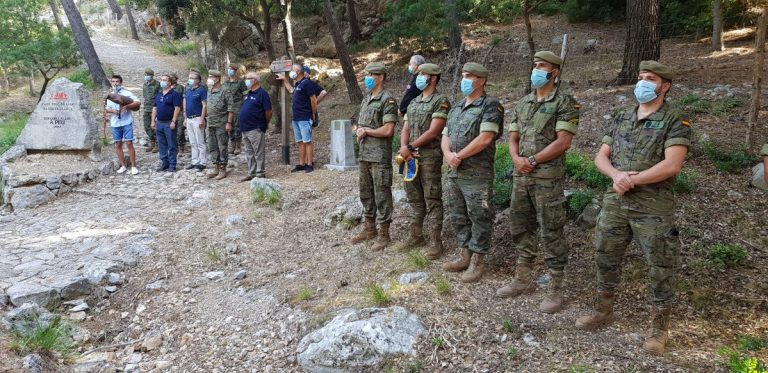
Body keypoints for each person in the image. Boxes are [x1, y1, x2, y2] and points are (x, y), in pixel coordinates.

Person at [575, 61, 692, 356]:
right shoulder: (620, 115)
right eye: (640, 77)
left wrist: (632, 180)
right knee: (605, 255)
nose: (641, 82)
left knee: (660, 265)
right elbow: (601, 156)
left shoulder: (675, 119)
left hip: (653, 206)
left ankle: (658, 329)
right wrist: (616, 176)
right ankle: (603, 310)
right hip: (616, 201)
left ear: (664, 86)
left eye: (649, 78)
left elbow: (672, 164)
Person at [496, 51, 580, 314]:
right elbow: (513, 137)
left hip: (546, 178)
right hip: (521, 176)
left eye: (541, 66)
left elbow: (563, 142)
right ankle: (523, 278)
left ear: (554, 72)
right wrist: (516, 159)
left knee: (551, 229)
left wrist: (530, 160)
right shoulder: (523, 102)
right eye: (534, 65)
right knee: (520, 226)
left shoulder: (565, 102)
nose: (536, 70)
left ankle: (556, 287)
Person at [441, 62, 504, 283]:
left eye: (469, 76)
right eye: (464, 75)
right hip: (455, 171)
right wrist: (448, 154)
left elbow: (485, 138)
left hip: (477, 173)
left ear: (481, 80)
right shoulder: (457, 107)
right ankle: (464, 254)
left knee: (479, 215)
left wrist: (459, 156)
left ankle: (478, 261)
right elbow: (445, 135)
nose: (464, 79)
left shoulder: (491, 105)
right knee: (458, 214)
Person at [398, 63, 450, 259]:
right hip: (410, 157)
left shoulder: (440, 101)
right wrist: (405, 148)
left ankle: (436, 242)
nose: (418, 77)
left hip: (429, 157)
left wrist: (409, 147)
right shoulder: (414, 102)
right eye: (418, 74)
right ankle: (416, 235)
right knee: (414, 197)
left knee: (432, 198)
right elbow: (406, 128)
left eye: (423, 74)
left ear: (434, 78)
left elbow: (434, 131)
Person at [350, 62, 398, 251]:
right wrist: (359, 129)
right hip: (364, 155)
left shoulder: (388, 100)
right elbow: (357, 122)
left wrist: (367, 131)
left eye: (371, 74)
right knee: (366, 192)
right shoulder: (367, 98)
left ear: (380, 77)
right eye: (366, 74)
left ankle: (384, 233)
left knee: (382, 193)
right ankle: (369, 227)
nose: (367, 78)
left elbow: (388, 129)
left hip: (379, 156)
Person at [278, 64, 318, 173]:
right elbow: (291, 90)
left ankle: (309, 164)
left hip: (305, 117)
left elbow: (313, 100)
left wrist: (313, 114)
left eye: (293, 70)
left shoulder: (307, 83)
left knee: (307, 141)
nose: (291, 72)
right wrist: (284, 80)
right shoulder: (297, 84)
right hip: (296, 118)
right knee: (300, 141)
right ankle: (302, 163)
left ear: (299, 71)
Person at [238, 71, 273, 181]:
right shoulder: (248, 93)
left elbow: (268, 111)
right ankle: (251, 172)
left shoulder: (262, 93)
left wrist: (264, 123)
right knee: (249, 152)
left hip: (256, 127)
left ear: (255, 80)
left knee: (258, 152)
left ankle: (260, 173)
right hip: (245, 128)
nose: (246, 80)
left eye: (248, 78)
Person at [105, 75, 141, 175]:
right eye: (113, 81)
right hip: (115, 123)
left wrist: (127, 106)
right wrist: (113, 111)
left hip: (126, 121)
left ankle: (134, 166)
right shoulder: (110, 95)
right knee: (118, 144)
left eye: (117, 81)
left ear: (121, 82)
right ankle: (123, 165)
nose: (115, 83)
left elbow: (138, 102)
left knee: (129, 143)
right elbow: (107, 108)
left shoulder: (127, 93)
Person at [205, 70, 235, 180]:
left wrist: (229, 122)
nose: (209, 79)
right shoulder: (209, 90)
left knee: (222, 146)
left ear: (217, 79)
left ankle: (223, 168)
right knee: (212, 146)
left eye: (211, 77)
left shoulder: (225, 91)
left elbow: (231, 108)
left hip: (222, 123)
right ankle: (216, 166)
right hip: (211, 122)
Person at [150, 74, 182, 172]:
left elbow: (177, 108)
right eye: (161, 80)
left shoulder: (174, 94)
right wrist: (152, 121)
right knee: (161, 144)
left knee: (171, 144)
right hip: (159, 122)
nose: (162, 82)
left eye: (165, 80)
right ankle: (165, 162)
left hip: (169, 123)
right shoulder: (159, 94)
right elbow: (155, 108)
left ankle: (172, 164)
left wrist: (173, 121)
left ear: (169, 82)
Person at [183, 70, 208, 171]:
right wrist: (185, 118)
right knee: (192, 141)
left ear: (198, 80)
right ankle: (195, 161)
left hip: (197, 118)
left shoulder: (202, 90)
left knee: (200, 141)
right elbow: (185, 103)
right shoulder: (188, 90)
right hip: (189, 118)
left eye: (192, 78)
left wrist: (202, 119)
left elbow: (204, 105)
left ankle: (203, 162)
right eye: (189, 78)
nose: (190, 80)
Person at [224, 63, 247, 156]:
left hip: (238, 106)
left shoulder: (240, 82)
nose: (229, 70)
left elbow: (245, 94)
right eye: (228, 68)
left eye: (231, 69)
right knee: (229, 126)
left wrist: (244, 106)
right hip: (228, 107)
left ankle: (238, 145)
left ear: (235, 71)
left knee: (237, 126)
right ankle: (232, 144)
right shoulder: (225, 82)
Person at [142, 68, 160, 153]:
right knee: (147, 126)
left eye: (147, 75)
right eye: (145, 75)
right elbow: (145, 96)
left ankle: (158, 144)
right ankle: (152, 142)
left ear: (152, 75)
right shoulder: (145, 85)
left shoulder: (158, 85)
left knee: (155, 127)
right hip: (146, 108)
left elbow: (160, 97)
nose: (146, 76)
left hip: (154, 108)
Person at [170, 73, 187, 153]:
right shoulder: (166, 88)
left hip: (179, 111)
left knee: (180, 130)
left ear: (176, 79)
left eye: (172, 77)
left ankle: (181, 145)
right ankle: (174, 146)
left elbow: (184, 99)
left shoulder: (180, 88)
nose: (171, 78)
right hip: (170, 112)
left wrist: (184, 112)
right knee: (172, 130)